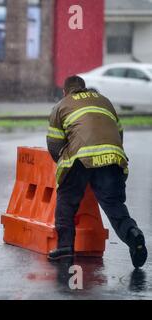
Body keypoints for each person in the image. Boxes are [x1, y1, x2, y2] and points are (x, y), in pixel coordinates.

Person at [46, 75, 147, 268]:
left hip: (80, 158)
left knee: (66, 200)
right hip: (113, 156)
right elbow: (118, 134)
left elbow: (54, 144)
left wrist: (65, 167)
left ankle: (65, 247)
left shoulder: (61, 105)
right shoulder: (104, 101)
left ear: (65, 91)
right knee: (113, 204)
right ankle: (133, 233)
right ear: (84, 88)